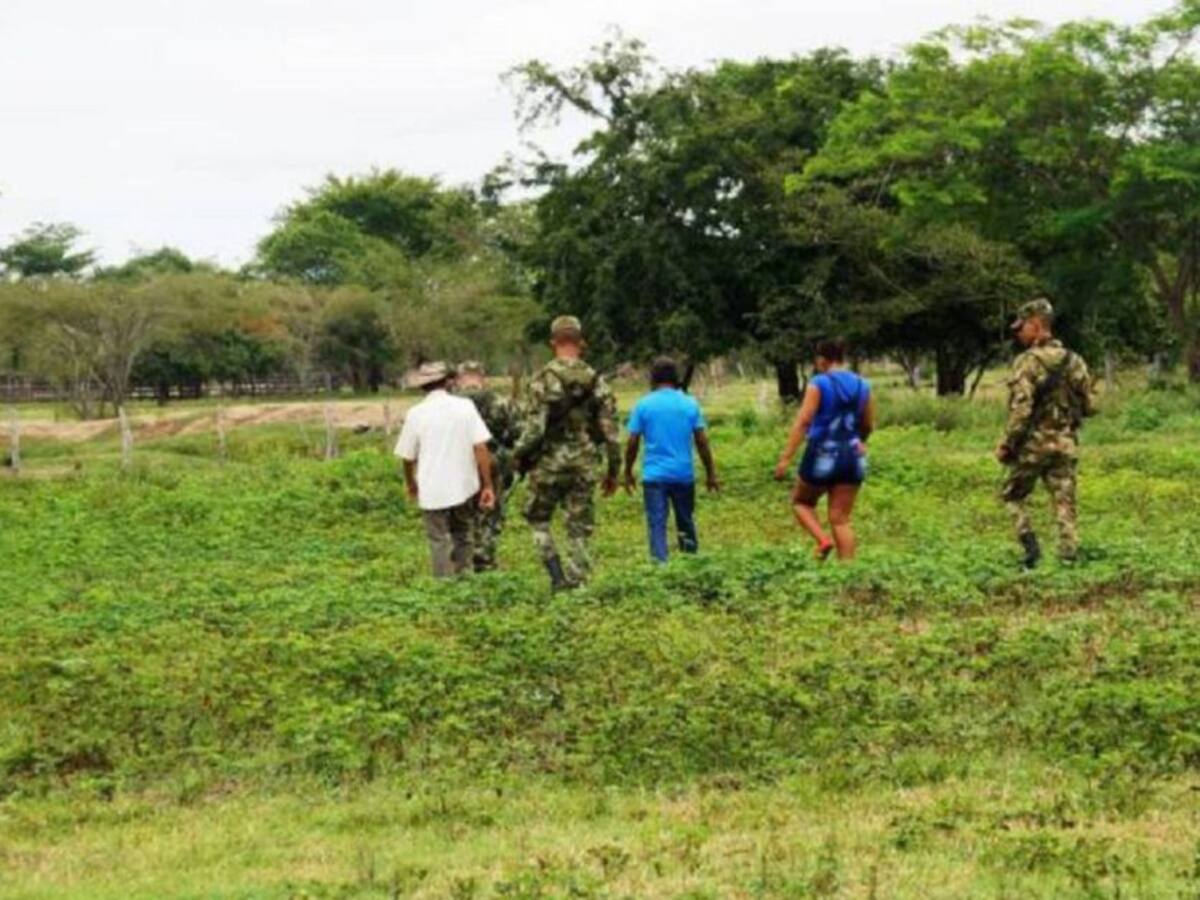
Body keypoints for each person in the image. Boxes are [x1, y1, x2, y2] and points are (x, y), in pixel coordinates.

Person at [512, 316, 620, 591]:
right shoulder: (598, 382)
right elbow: (610, 434)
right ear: (581, 343)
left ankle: (557, 576)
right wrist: (613, 471)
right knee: (580, 527)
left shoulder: (542, 380)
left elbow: (534, 430)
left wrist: (517, 455)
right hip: (585, 463)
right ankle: (578, 583)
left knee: (538, 519)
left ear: (553, 343)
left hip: (549, 464)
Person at [996, 298, 1096, 569]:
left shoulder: (1027, 362)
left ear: (1037, 325)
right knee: (1064, 500)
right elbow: (1090, 405)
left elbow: (1021, 409)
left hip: (1033, 445)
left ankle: (1031, 549)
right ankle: (1069, 556)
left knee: (1011, 495)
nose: (1019, 332)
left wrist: (1007, 444)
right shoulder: (1075, 361)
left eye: (1023, 326)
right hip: (1065, 443)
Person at [774, 338, 876, 561]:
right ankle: (848, 574)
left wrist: (786, 458)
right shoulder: (863, 385)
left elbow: (803, 421)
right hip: (853, 455)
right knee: (841, 519)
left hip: (822, 453)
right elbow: (868, 424)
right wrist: (861, 441)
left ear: (822, 359)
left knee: (801, 502)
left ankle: (823, 540)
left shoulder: (819, 383)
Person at [394, 361, 496, 578]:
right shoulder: (465, 407)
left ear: (423, 386)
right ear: (448, 382)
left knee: (438, 539)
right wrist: (487, 484)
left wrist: (411, 484)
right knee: (463, 533)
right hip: (464, 485)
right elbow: (480, 446)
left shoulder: (415, 414)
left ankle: (443, 584)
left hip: (432, 488)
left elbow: (407, 456)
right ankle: (465, 575)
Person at [623, 356, 720, 562]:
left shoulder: (643, 405)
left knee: (657, 523)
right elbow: (702, 441)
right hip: (683, 474)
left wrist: (627, 471)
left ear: (653, 378)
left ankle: (660, 565)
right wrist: (711, 473)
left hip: (654, 475)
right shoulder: (689, 403)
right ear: (675, 378)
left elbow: (632, 442)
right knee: (685, 520)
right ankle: (691, 563)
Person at [455, 360, 521, 572]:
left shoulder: (452, 405)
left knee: (461, 514)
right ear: (483, 378)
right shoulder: (501, 403)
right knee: (490, 513)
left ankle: (461, 561)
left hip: (458, 465)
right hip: (493, 465)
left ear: (459, 379)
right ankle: (484, 559)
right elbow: (516, 435)